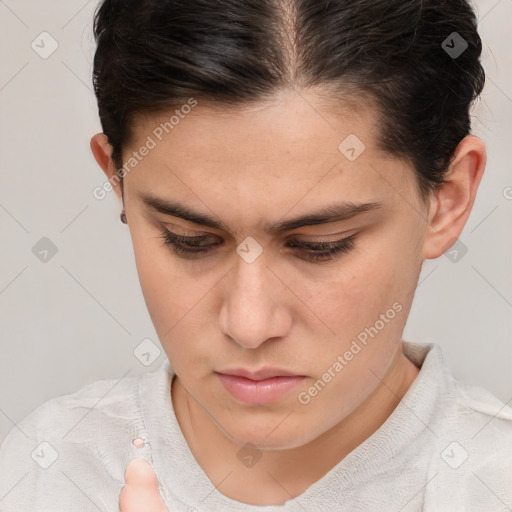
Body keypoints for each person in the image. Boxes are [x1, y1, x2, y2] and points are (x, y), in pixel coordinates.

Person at [1, 0, 511, 511]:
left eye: (320, 246)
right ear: (118, 182)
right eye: (189, 239)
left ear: (447, 200)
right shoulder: (45, 474)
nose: (248, 324)